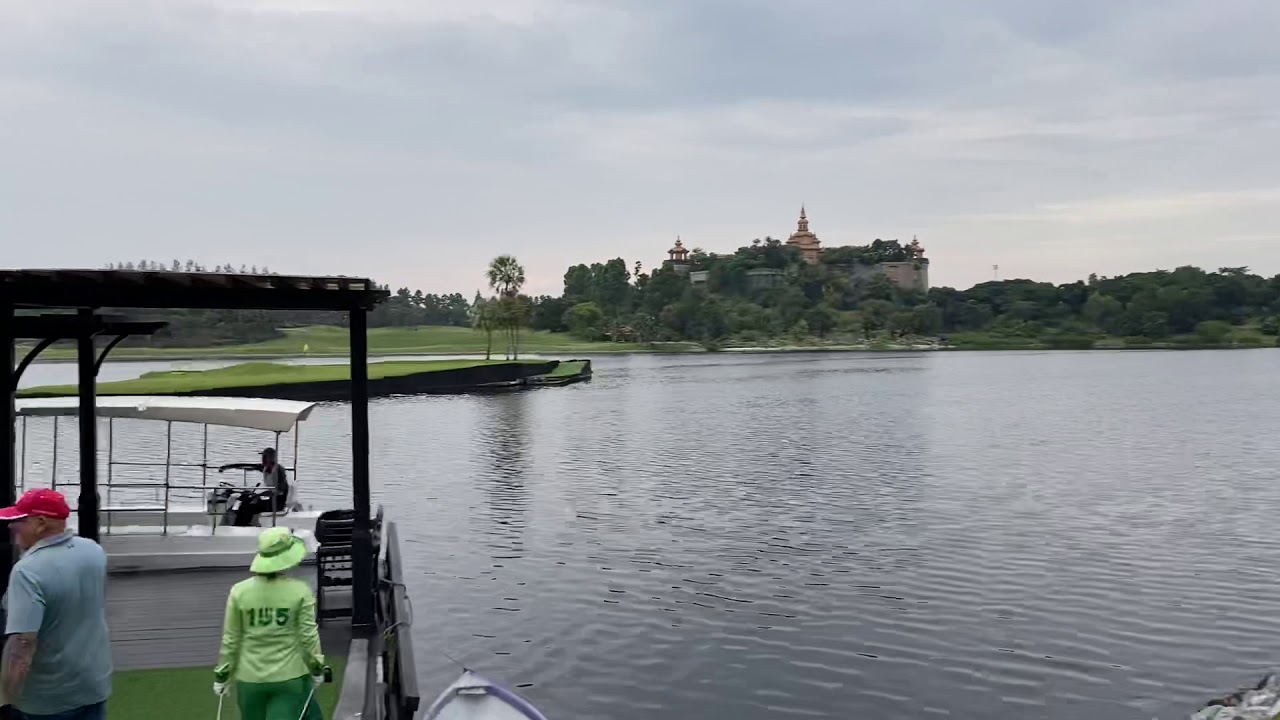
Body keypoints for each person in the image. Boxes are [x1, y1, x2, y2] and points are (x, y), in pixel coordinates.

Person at [0, 489, 111, 720]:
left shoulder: (27, 571)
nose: (12, 527)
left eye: (19, 520)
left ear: (40, 523)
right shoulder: (93, 551)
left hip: (46, 700)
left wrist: (5, 699)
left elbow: (22, 645)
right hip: (93, 687)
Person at [213, 527, 327, 720]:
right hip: (290, 677)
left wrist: (222, 676)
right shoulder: (300, 591)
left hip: (249, 679)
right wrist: (317, 668)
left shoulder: (239, 592)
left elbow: (231, 639)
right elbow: (308, 636)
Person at [217, 447, 290, 527]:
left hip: (277, 502)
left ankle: (242, 525)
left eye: (265, 457)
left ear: (272, 458)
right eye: (263, 457)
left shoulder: (278, 471)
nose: (263, 459)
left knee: (250, 507)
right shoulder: (265, 468)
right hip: (270, 498)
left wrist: (259, 495)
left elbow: (280, 490)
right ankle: (238, 524)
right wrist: (227, 467)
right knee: (246, 501)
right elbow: (250, 466)